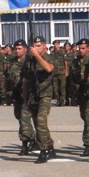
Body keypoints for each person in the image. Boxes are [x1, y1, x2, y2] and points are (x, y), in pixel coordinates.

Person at [21, 36, 56, 164]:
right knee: (38, 124)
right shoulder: (29, 61)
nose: (36, 48)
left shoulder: (49, 58)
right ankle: (50, 146)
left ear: (44, 46)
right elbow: (25, 80)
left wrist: (37, 56)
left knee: (41, 120)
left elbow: (48, 68)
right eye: (34, 46)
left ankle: (43, 150)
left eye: (38, 46)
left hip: (45, 94)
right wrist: (24, 98)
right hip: (33, 95)